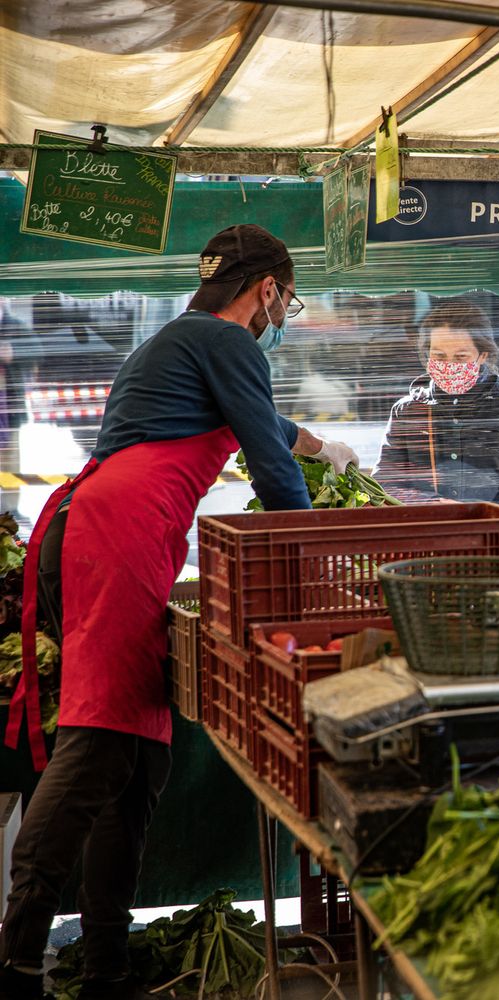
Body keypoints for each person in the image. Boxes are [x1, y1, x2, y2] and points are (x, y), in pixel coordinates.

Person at [0, 225, 358, 1000]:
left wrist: (321, 446)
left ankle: (105, 970)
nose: (280, 314)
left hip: (99, 530)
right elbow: (267, 462)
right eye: (284, 300)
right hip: (120, 534)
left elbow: (264, 427)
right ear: (265, 290)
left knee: (135, 763)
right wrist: (309, 570)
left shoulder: (188, 337)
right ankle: (20, 956)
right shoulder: (233, 344)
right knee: (99, 745)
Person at [374, 299, 499, 513]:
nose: (449, 365)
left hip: (497, 542)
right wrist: (435, 508)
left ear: (483, 355)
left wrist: (470, 515)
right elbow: (383, 487)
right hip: (424, 540)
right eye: (439, 356)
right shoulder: (408, 413)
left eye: (461, 356)